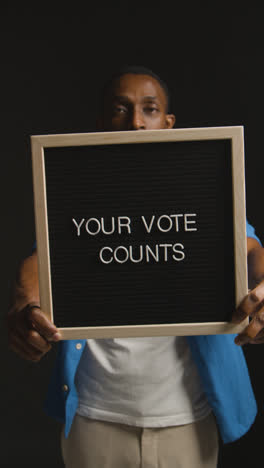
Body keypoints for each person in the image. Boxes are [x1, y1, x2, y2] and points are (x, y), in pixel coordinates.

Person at [8, 66, 264, 468]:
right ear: (100, 124)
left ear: (168, 123)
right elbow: (38, 262)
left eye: (149, 109)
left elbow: (249, 249)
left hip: (187, 419)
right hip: (96, 418)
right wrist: (26, 306)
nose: (136, 123)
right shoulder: (75, 199)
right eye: (120, 109)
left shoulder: (202, 194)